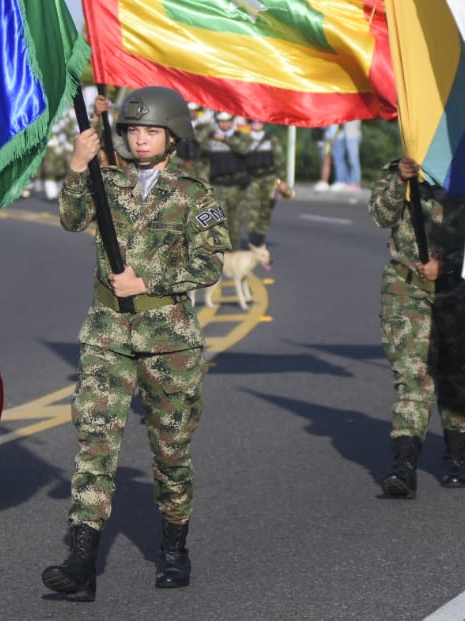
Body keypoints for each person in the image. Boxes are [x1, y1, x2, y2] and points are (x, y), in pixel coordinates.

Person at [41, 86, 230, 601]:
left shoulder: (196, 195)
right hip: (107, 333)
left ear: (171, 136)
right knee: (95, 443)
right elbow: (72, 218)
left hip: (169, 340)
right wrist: (79, 167)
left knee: (171, 453)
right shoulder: (108, 182)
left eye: (150, 131)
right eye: (132, 130)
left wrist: (148, 281)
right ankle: (81, 560)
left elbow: (211, 263)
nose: (140, 139)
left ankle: (173, 548)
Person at [369, 156, 465, 499]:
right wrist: (400, 179)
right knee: (413, 377)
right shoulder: (398, 170)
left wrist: (449, 266)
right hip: (406, 289)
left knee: (457, 377)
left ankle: (456, 456)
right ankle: (404, 466)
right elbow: (381, 215)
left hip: (460, 291)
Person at [199, 112, 252, 249]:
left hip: (237, 187)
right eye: (221, 121)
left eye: (227, 121)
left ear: (233, 120)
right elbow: (199, 144)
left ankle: (233, 254)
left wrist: (224, 139)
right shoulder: (209, 138)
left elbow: (244, 149)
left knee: (236, 223)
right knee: (218, 223)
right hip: (218, 186)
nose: (224, 124)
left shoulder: (241, 136)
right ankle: (220, 255)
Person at [241, 119, 290, 247]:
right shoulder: (244, 140)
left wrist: (283, 180)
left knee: (266, 210)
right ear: (250, 124)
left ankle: (260, 238)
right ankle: (253, 240)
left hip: (269, 179)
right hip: (252, 179)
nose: (257, 124)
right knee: (253, 211)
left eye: (259, 122)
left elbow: (280, 160)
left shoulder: (271, 139)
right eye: (253, 122)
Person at [329, 119, 363, 190]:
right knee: (350, 160)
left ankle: (356, 183)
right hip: (349, 137)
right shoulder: (348, 114)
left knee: (354, 161)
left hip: (353, 137)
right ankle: (352, 182)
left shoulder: (355, 112)